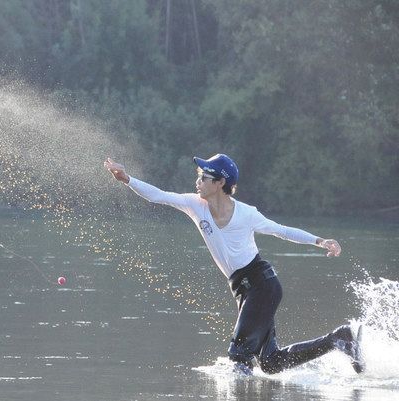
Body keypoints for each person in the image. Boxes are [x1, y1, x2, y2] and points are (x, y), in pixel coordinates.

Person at [104, 154, 364, 375]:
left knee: (238, 356)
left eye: (203, 177)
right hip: (243, 289)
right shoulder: (195, 205)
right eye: (199, 175)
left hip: (262, 285)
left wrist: (320, 241)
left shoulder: (246, 214)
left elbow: (281, 230)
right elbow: (158, 196)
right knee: (270, 364)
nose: (197, 181)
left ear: (220, 182)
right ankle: (339, 339)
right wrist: (126, 179)